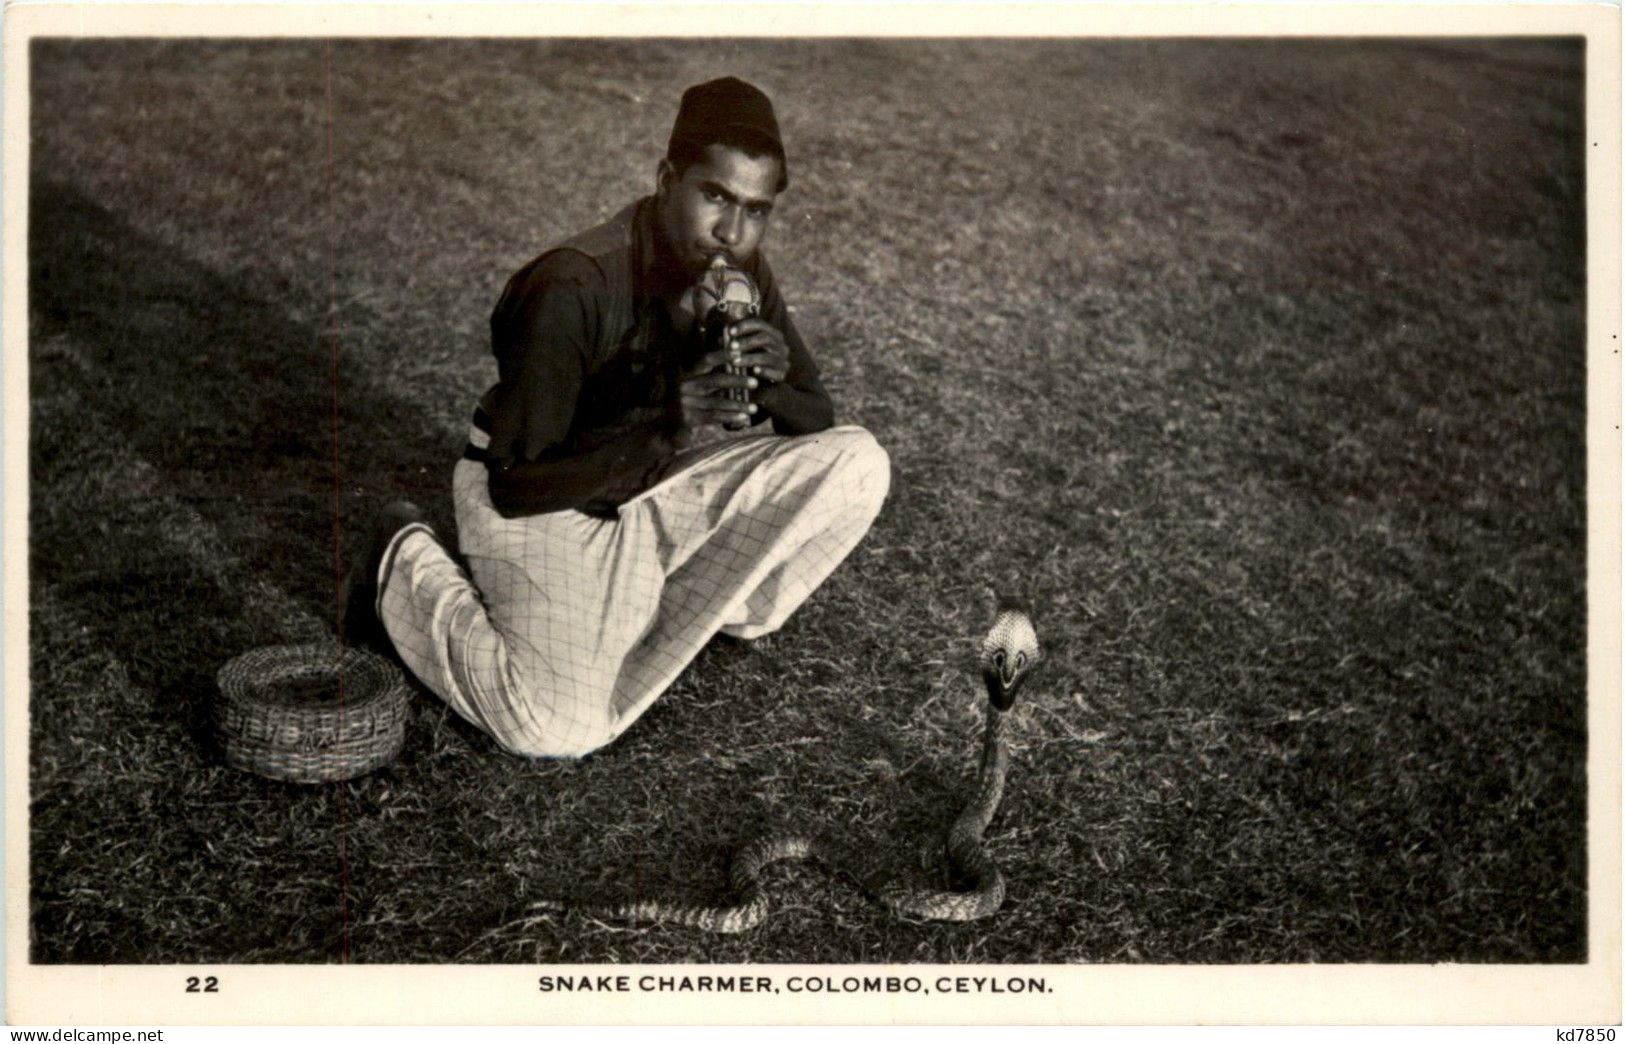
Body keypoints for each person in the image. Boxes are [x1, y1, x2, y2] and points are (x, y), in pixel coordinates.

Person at [344, 77, 890, 759]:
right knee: (556, 726)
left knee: (859, 462)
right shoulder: (571, 285)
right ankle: (399, 567)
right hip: (547, 497)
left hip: (648, 484)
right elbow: (514, 488)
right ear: (667, 179)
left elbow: (815, 416)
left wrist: (774, 383)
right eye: (714, 196)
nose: (732, 229)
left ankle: (686, 600)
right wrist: (669, 427)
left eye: (755, 210)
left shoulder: (737, 265)